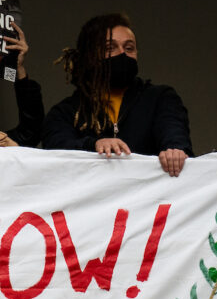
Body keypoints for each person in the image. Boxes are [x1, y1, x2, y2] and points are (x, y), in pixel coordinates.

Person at [42, 12, 191, 177]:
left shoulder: (161, 98)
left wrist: (175, 151)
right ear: (89, 57)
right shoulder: (65, 113)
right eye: (109, 48)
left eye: (129, 48)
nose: (122, 54)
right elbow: (56, 151)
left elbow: (175, 136)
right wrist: (94, 145)